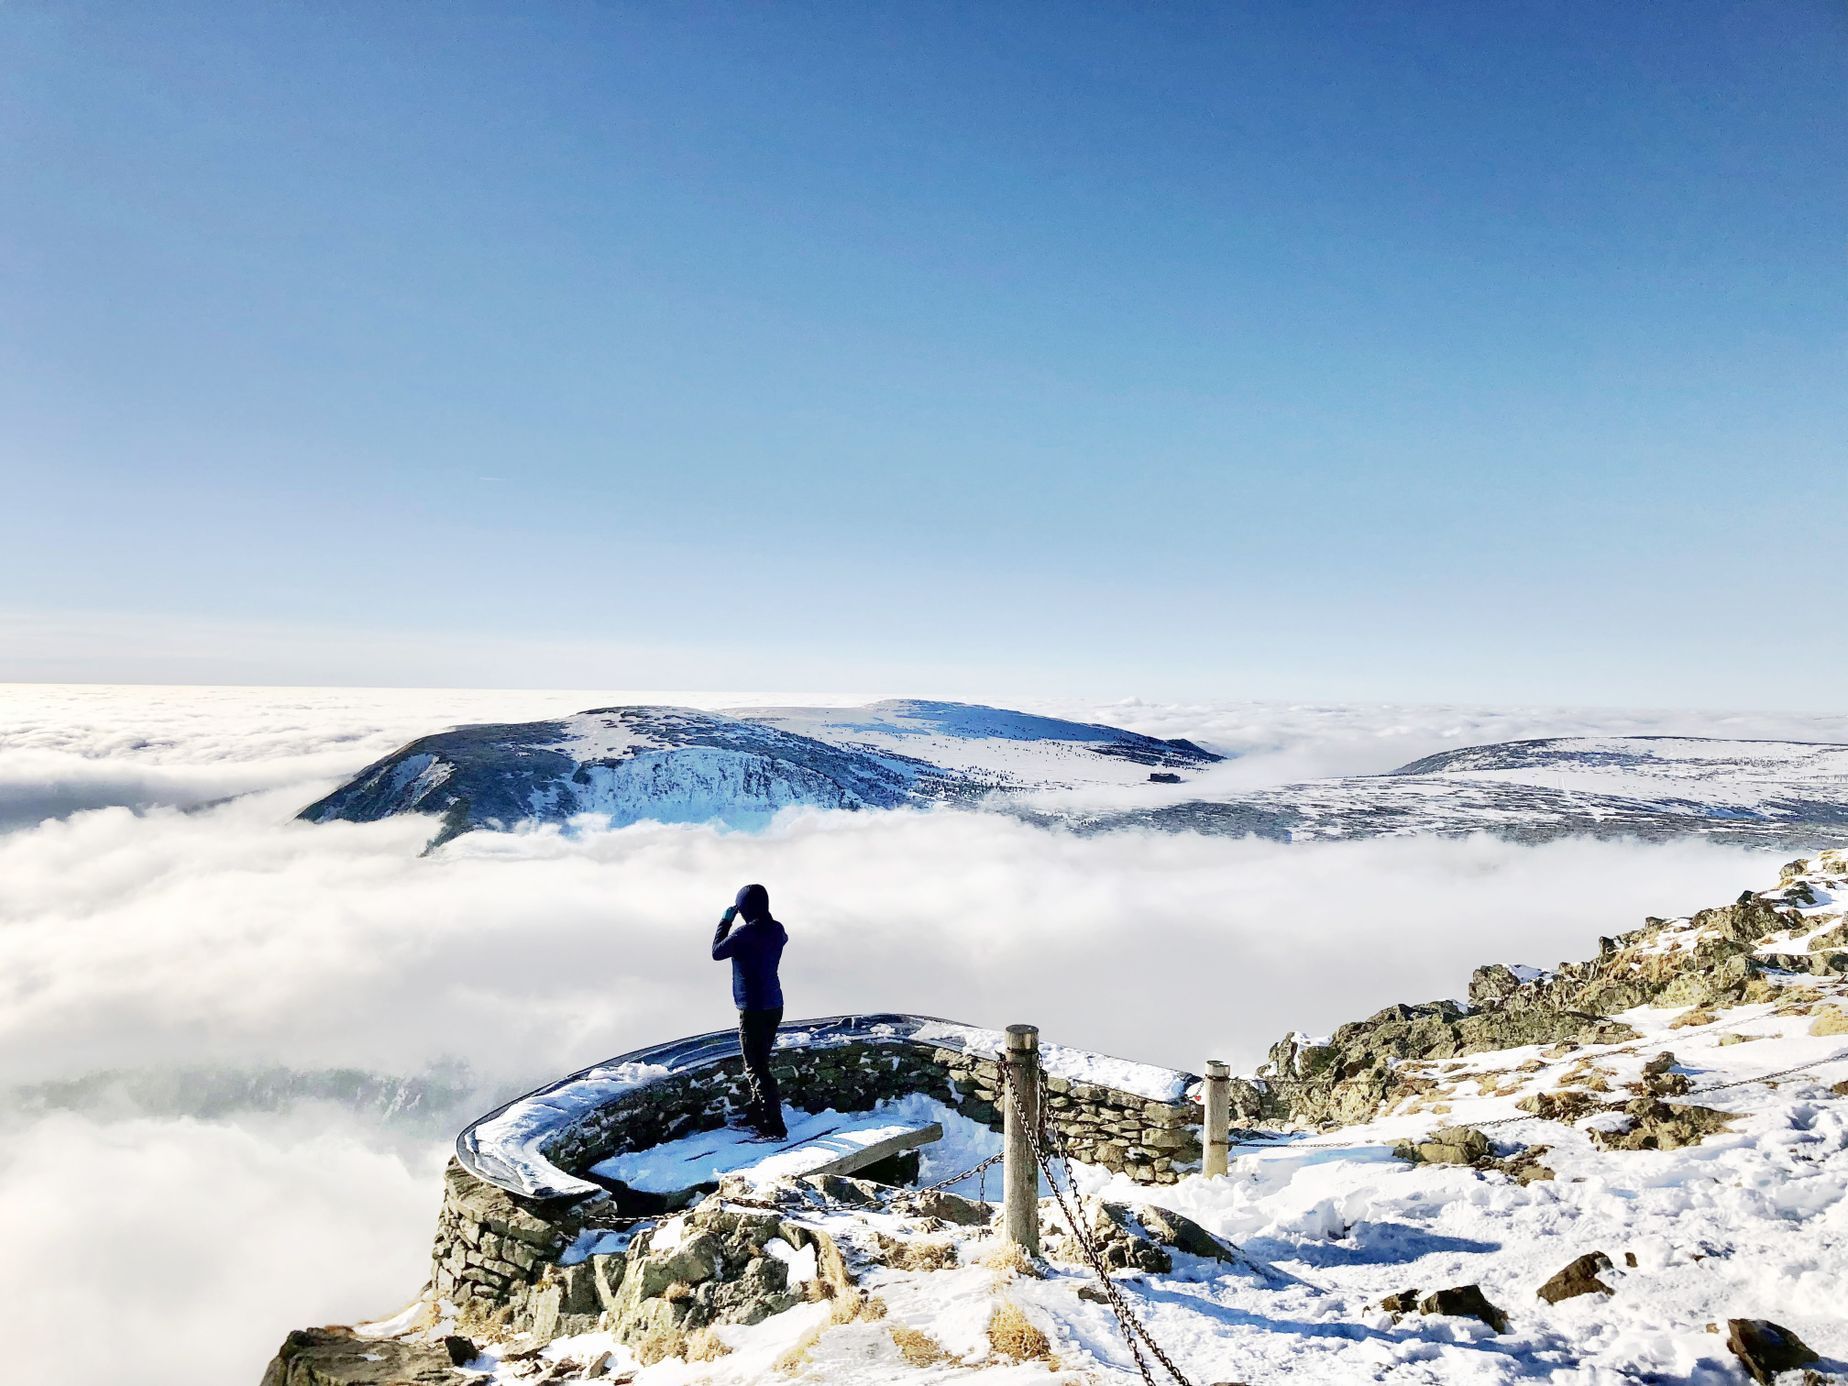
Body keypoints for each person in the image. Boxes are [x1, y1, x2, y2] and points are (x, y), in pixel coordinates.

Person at [712, 883, 789, 1139]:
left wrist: (725, 921)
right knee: (761, 1063)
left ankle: (774, 1126)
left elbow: (716, 952)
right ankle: (758, 1115)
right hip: (774, 1004)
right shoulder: (777, 930)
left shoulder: (744, 934)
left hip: (752, 1007)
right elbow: (782, 938)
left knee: (756, 1068)